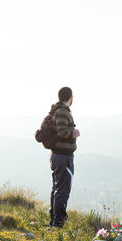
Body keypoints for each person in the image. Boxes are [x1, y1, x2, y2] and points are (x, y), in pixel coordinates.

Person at [48, 87, 80, 228]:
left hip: (58, 156)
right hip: (63, 157)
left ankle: (54, 220)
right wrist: (73, 134)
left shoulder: (58, 111)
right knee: (62, 189)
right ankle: (58, 223)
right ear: (71, 97)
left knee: (57, 188)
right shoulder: (62, 112)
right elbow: (61, 132)